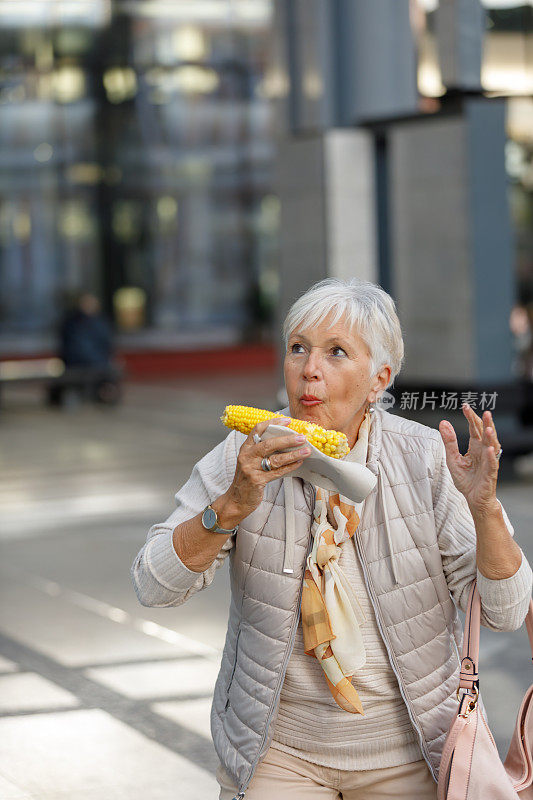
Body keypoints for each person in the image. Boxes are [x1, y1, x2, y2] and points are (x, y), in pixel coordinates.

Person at [130, 277, 533, 799]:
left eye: (336, 352)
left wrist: (485, 509)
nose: (308, 369)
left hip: (414, 751)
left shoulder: (427, 460)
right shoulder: (242, 455)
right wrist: (231, 505)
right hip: (278, 752)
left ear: (378, 379)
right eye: (297, 348)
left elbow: (505, 610)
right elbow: (152, 584)